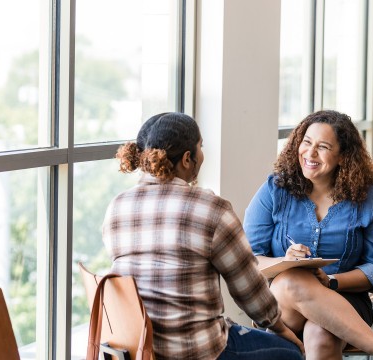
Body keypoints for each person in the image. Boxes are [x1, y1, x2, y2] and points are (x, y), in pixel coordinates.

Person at [102, 112, 303, 360]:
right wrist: (280, 328)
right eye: (201, 147)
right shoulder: (211, 208)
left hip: (137, 348)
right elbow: (247, 290)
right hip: (196, 350)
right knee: (290, 353)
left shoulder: (117, 206)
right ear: (188, 158)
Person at [244, 110, 373, 360]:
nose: (310, 153)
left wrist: (331, 281)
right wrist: (284, 262)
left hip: (345, 301)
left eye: (322, 147)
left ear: (343, 156)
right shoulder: (275, 189)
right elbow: (247, 260)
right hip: (281, 305)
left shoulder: (368, 197)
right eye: (307, 142)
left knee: (322, 335)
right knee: (290, 280)